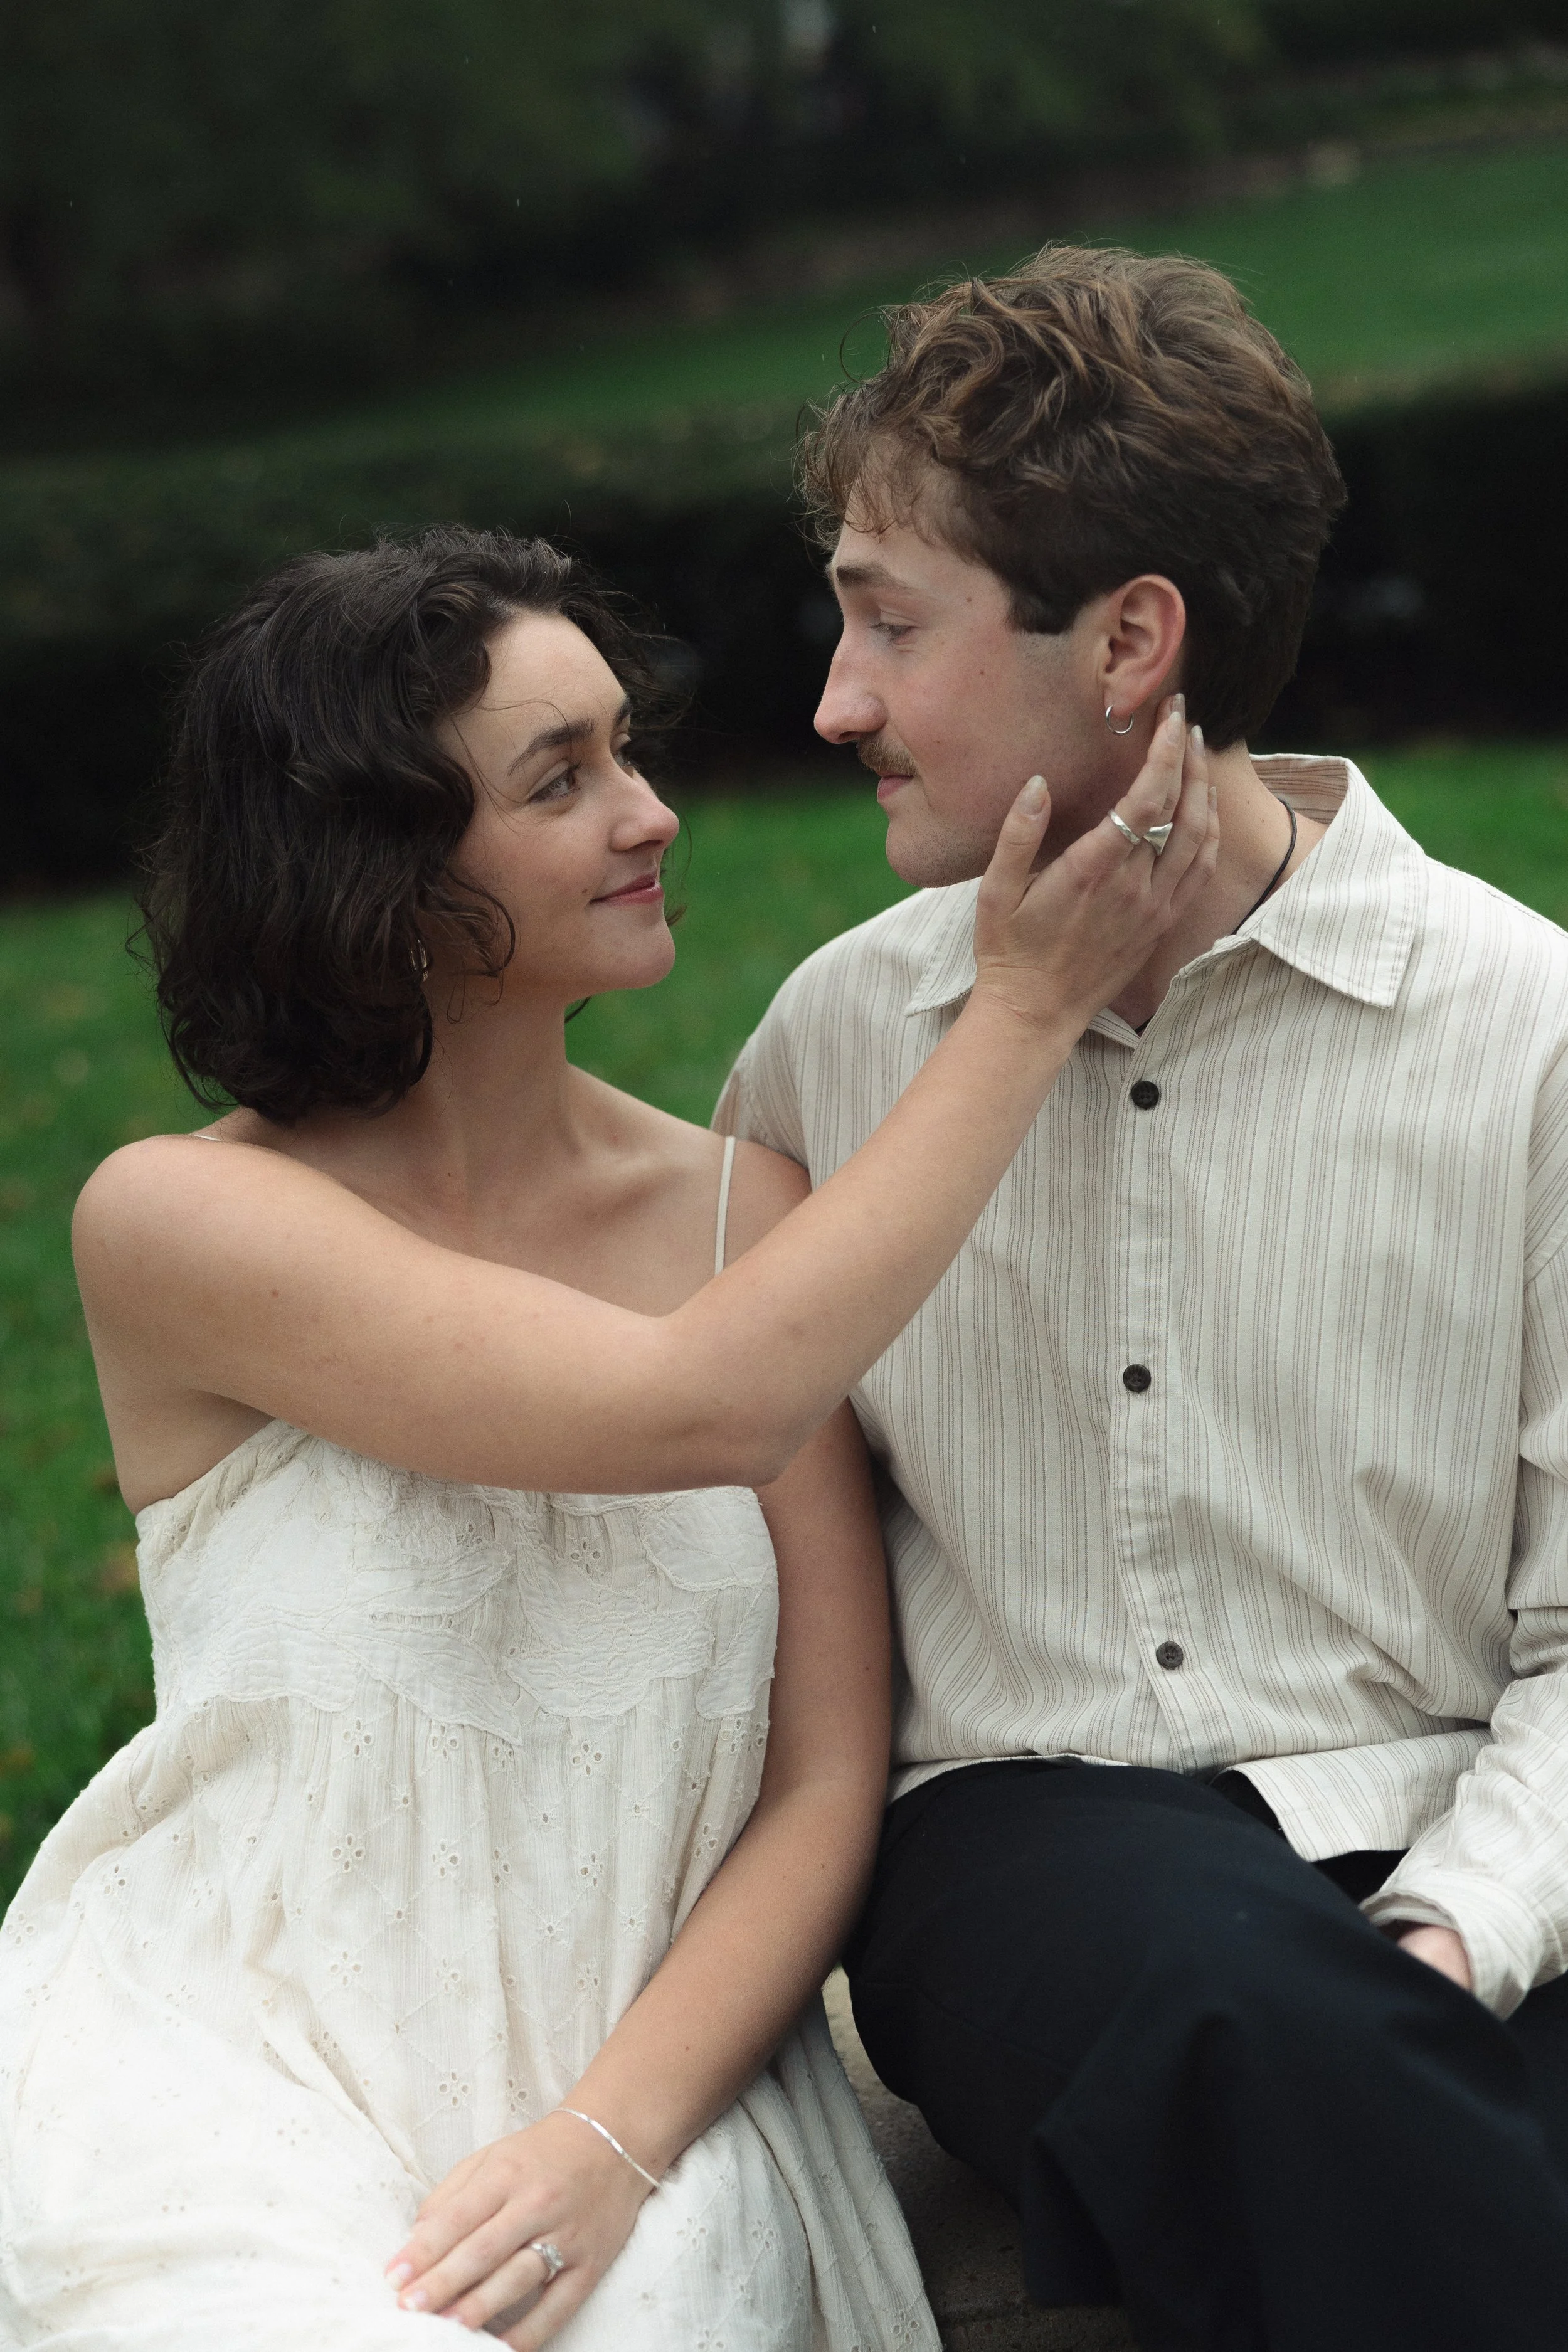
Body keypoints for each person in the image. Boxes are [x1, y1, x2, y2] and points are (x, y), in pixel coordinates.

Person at [0, 526, 1214, 2352]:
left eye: (624, 749)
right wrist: (1022, 1009)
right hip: (234, 2050)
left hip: (643, 2092)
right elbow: (694, 1405)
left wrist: (608, 2137)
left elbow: (821, 1780)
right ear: (375, 864)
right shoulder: (178, 1223)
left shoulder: (750, 1217)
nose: (647, 813)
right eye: (558, 779)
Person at [714, 245, 1568, 2352]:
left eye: (886, 621)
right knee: (1211, 2000)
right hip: (1033, 1851)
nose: (833, 700)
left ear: (1127, 642)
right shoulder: (834, 1043)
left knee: (1321, 2060)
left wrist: (1455, 1931)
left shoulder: (1527, 1030)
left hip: (1463, 1802)